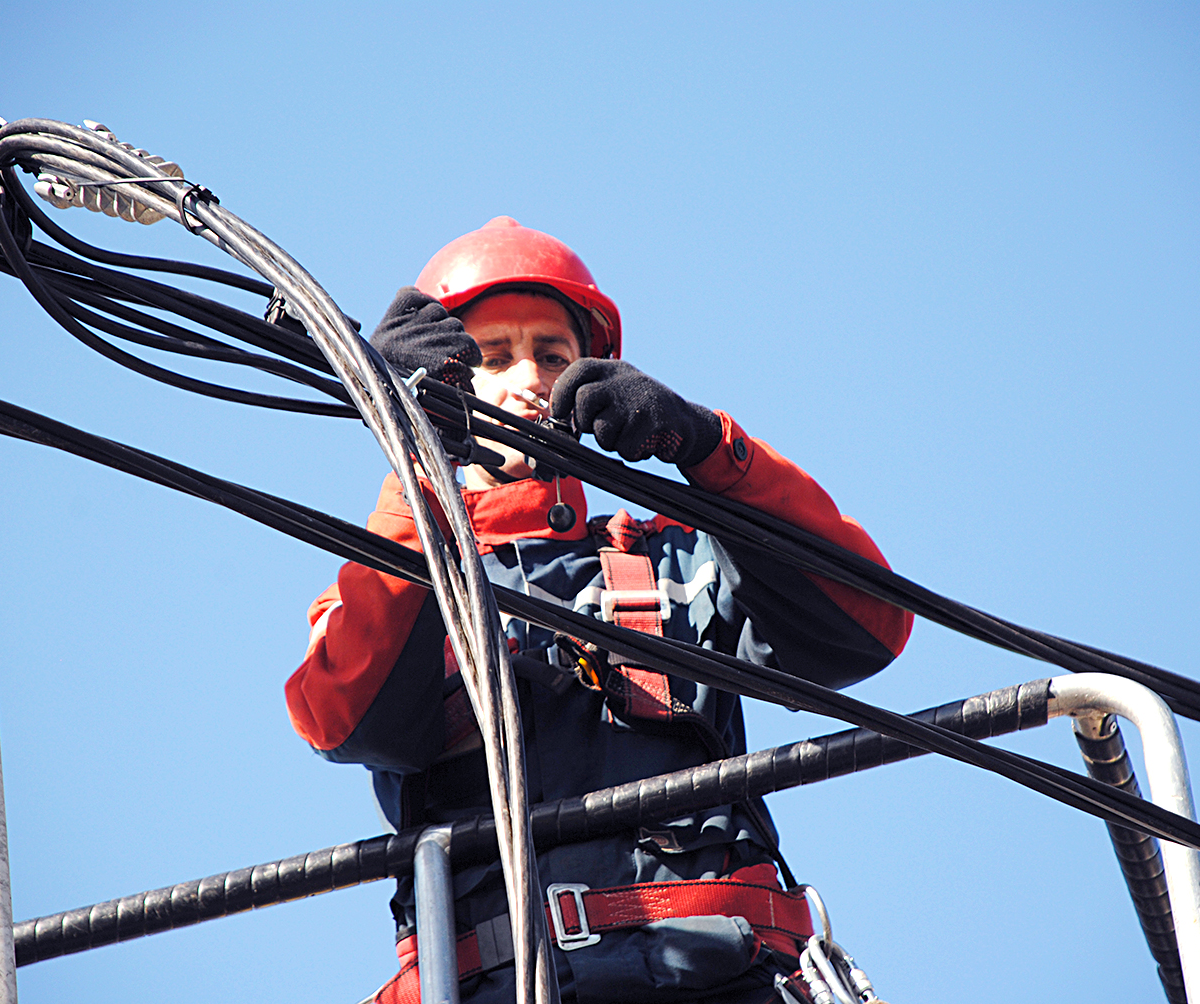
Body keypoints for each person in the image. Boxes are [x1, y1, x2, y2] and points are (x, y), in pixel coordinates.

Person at [285, 217, 912, 1004]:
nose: (528, 380)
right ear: (446, 379)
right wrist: (419, 459)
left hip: (718, 980)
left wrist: (706, 446)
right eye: (490, 357)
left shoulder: (673, 561)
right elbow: (350, 716)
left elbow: (867, 626)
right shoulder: (402, 582)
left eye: (553, 355)